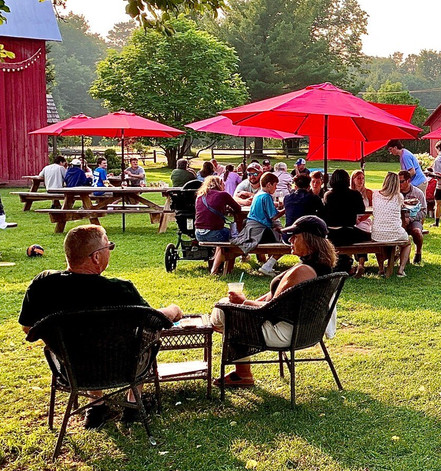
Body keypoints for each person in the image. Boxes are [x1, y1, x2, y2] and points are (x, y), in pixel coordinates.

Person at [20, 225, 182, 426]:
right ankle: (133, 404)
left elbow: (28, 328)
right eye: (109, 246)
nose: (110, 250)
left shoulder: (42, 285)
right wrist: (174, 309)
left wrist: (58, 341)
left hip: (69, 369)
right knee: (144, 337)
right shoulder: (121, 290)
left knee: (83, 347)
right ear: (96, 257)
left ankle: (95, 406)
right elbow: (155, 320)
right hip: (123, 368)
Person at [213, 215, 337, 388]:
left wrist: (243, 303)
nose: (290, 240)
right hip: (303, 329)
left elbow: (271, 308)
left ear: (309, 241)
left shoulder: (303, 271)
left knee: (224, 310)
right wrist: (245, 303)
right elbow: (274, 298)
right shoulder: (322, 268)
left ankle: (242, 373)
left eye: (295, 236)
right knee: (228, 309)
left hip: (284, 333)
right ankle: (241, 371)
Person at [194, 175, 245, 275]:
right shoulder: (223, 195)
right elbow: (238, 209)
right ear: (220, 183)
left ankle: (216, 264)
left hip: (198, 233)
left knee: (222, 238)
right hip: (214, 233)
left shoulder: (200, 196)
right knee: (233, 236)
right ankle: (216, 268)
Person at [322, 169, 370, 273]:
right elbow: (361, 210)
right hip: (348, 232)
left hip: (332, 234)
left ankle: (346, 264)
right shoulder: (354, 194)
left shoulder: (328, 195)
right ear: (348, 180)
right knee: (369, 236)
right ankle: (361, 262)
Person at [233, 172, 282, 274]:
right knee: (284, 241)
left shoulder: (257, 194)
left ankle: (267, 264)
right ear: (269, 184)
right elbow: (274, 217)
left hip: (250, 230)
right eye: (275, 185)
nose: (276, 188)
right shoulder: (266, 196)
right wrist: (286, 209)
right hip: (260, 232)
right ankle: (268, 265)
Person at [366, 171, 410, 277]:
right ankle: (401, 269)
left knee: (378, 241)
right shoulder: (399, 197)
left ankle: (381, 268)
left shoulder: (375, 195)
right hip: (395, 232)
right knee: (407, 242)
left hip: (377, 233)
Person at [398, 170, 427, 265]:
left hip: (414, 220)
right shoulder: (396, 193)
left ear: (408, 181)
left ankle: (418, 252)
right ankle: (400, 255)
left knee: (417, 232)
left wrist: (410, 218)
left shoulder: (418, 193)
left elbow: (423, 211)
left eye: (401, 181)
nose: (399, 184)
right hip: (398, 221)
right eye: (397, 182)